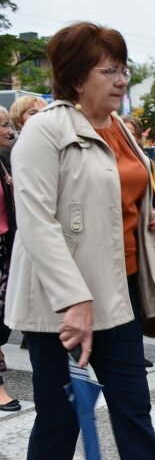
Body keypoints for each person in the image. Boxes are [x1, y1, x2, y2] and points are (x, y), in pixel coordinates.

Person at [6, 21, 155, 459]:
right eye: (109, 71)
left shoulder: (122, 129)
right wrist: (73, 301)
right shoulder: (44, 131)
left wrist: (146, 218)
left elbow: (117, 196)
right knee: (60, 419)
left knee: (134, 410)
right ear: (78, 77)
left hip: (119, 295)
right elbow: (37, 223)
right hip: (62, 307)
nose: (122, 80)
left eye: (124, 69)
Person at [0, 107, 18, 412]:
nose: (10, 129)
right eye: (4, 125)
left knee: (4, 318)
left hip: (5, 247)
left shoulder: (5, 161)